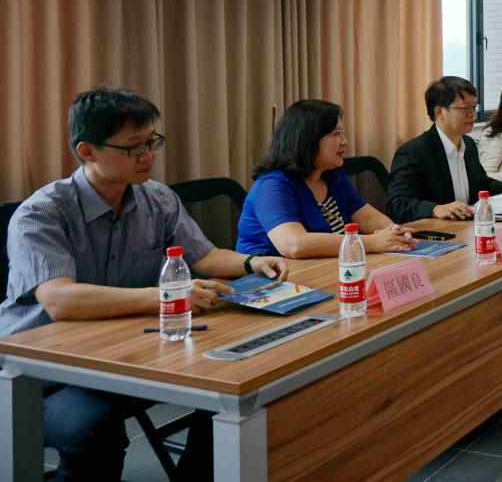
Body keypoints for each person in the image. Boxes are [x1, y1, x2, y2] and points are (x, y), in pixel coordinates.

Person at [0, 87, 288, 482]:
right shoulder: (43, 213)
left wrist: (252, 261)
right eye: (134, 147)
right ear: (88, 151)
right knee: (94, 428)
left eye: (152, 142)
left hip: (125, 351)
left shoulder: (157, 199)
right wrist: (167, 297)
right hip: (40, 375)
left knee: (229, 387)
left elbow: (203, 257)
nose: (148, 155)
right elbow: (60, 300)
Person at [236, 99, 417, 257]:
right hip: (270, 279)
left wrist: (393, 232)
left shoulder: (332, 176)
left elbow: (367, 217)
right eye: (336, 134)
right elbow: (294, 245)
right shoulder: (272, 186)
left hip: (326, 268)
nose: (344, 141)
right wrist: (371, 242)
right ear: (308, 139)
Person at [386, 76, 502, 222]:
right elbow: (396, 204)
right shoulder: (414, 152)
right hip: (437, 231)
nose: (472, 114)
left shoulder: (469, 144)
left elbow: (483, 184)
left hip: (468, 226)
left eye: (474, 107)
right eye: (465, 108)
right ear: (439, 112)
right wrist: (435, 209)